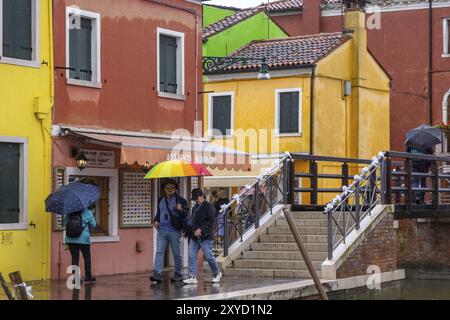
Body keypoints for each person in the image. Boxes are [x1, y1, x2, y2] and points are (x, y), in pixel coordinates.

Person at [150, 179, 189, 283]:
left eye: (172, 187)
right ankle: (157, 273)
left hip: (174, 230)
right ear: (164, 189)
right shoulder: (160, 199)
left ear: (176, 189)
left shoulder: (180, 200)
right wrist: (156, 220)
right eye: (167, 187)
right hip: (162, 230)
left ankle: (178, 273)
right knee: (159, 251)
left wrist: (180, 209)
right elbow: (159, 212)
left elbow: (186, 214)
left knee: (177, 253)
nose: (170, 190)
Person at [183, 188, 222, 284]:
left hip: (205, 236)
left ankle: (216, 273)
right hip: (194, 236)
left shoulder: (209, 207)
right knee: (191, 256)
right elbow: (192, 221)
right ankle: (192, 276)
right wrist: (187, 232)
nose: (196, 200)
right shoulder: (195, 207)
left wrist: (201, 229)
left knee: (209, 256)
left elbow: (211, 221)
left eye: (197, 198)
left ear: (201, 196)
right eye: (194, 199)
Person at [64, 205, 97, 283]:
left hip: (71, 239)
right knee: (87, 257)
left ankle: (75, 279)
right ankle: (88, 276)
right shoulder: (88, 212)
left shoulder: (69, 212)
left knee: (74, 258)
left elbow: (65, 223)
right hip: (84, 239)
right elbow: (94, 224)